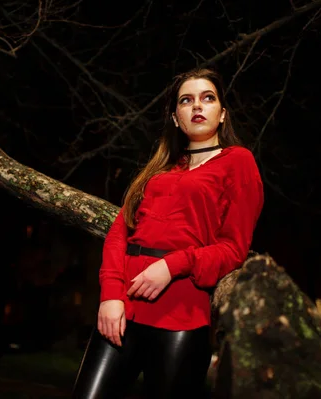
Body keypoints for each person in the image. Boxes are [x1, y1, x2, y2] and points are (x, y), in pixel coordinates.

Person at [71, 67, 264, 398]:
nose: (197, 106)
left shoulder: (238, 161)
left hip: (182, 315)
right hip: (122, 309)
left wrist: (172, 265)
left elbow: (234, 248)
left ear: (222, 114)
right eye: (186, 101)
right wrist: (110, 295)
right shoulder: (160, 168)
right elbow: (120, 233)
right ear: (176, 118)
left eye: (208, 98)